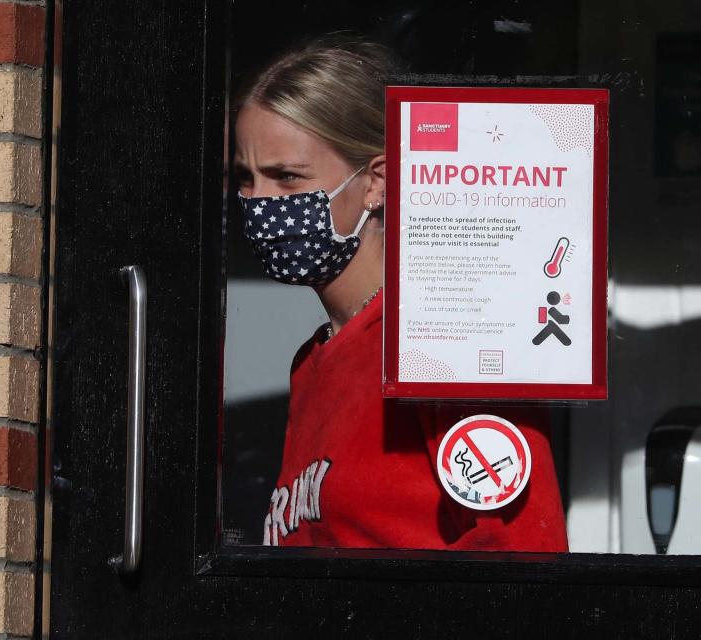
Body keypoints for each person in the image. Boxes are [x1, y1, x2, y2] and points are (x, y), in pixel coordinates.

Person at [233, 34, 568, 551]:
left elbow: (521, 562)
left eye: (287, 178)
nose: (258, 202)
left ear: (376, 183)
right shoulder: (311, 363)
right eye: (246, 178)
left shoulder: (445, 341)